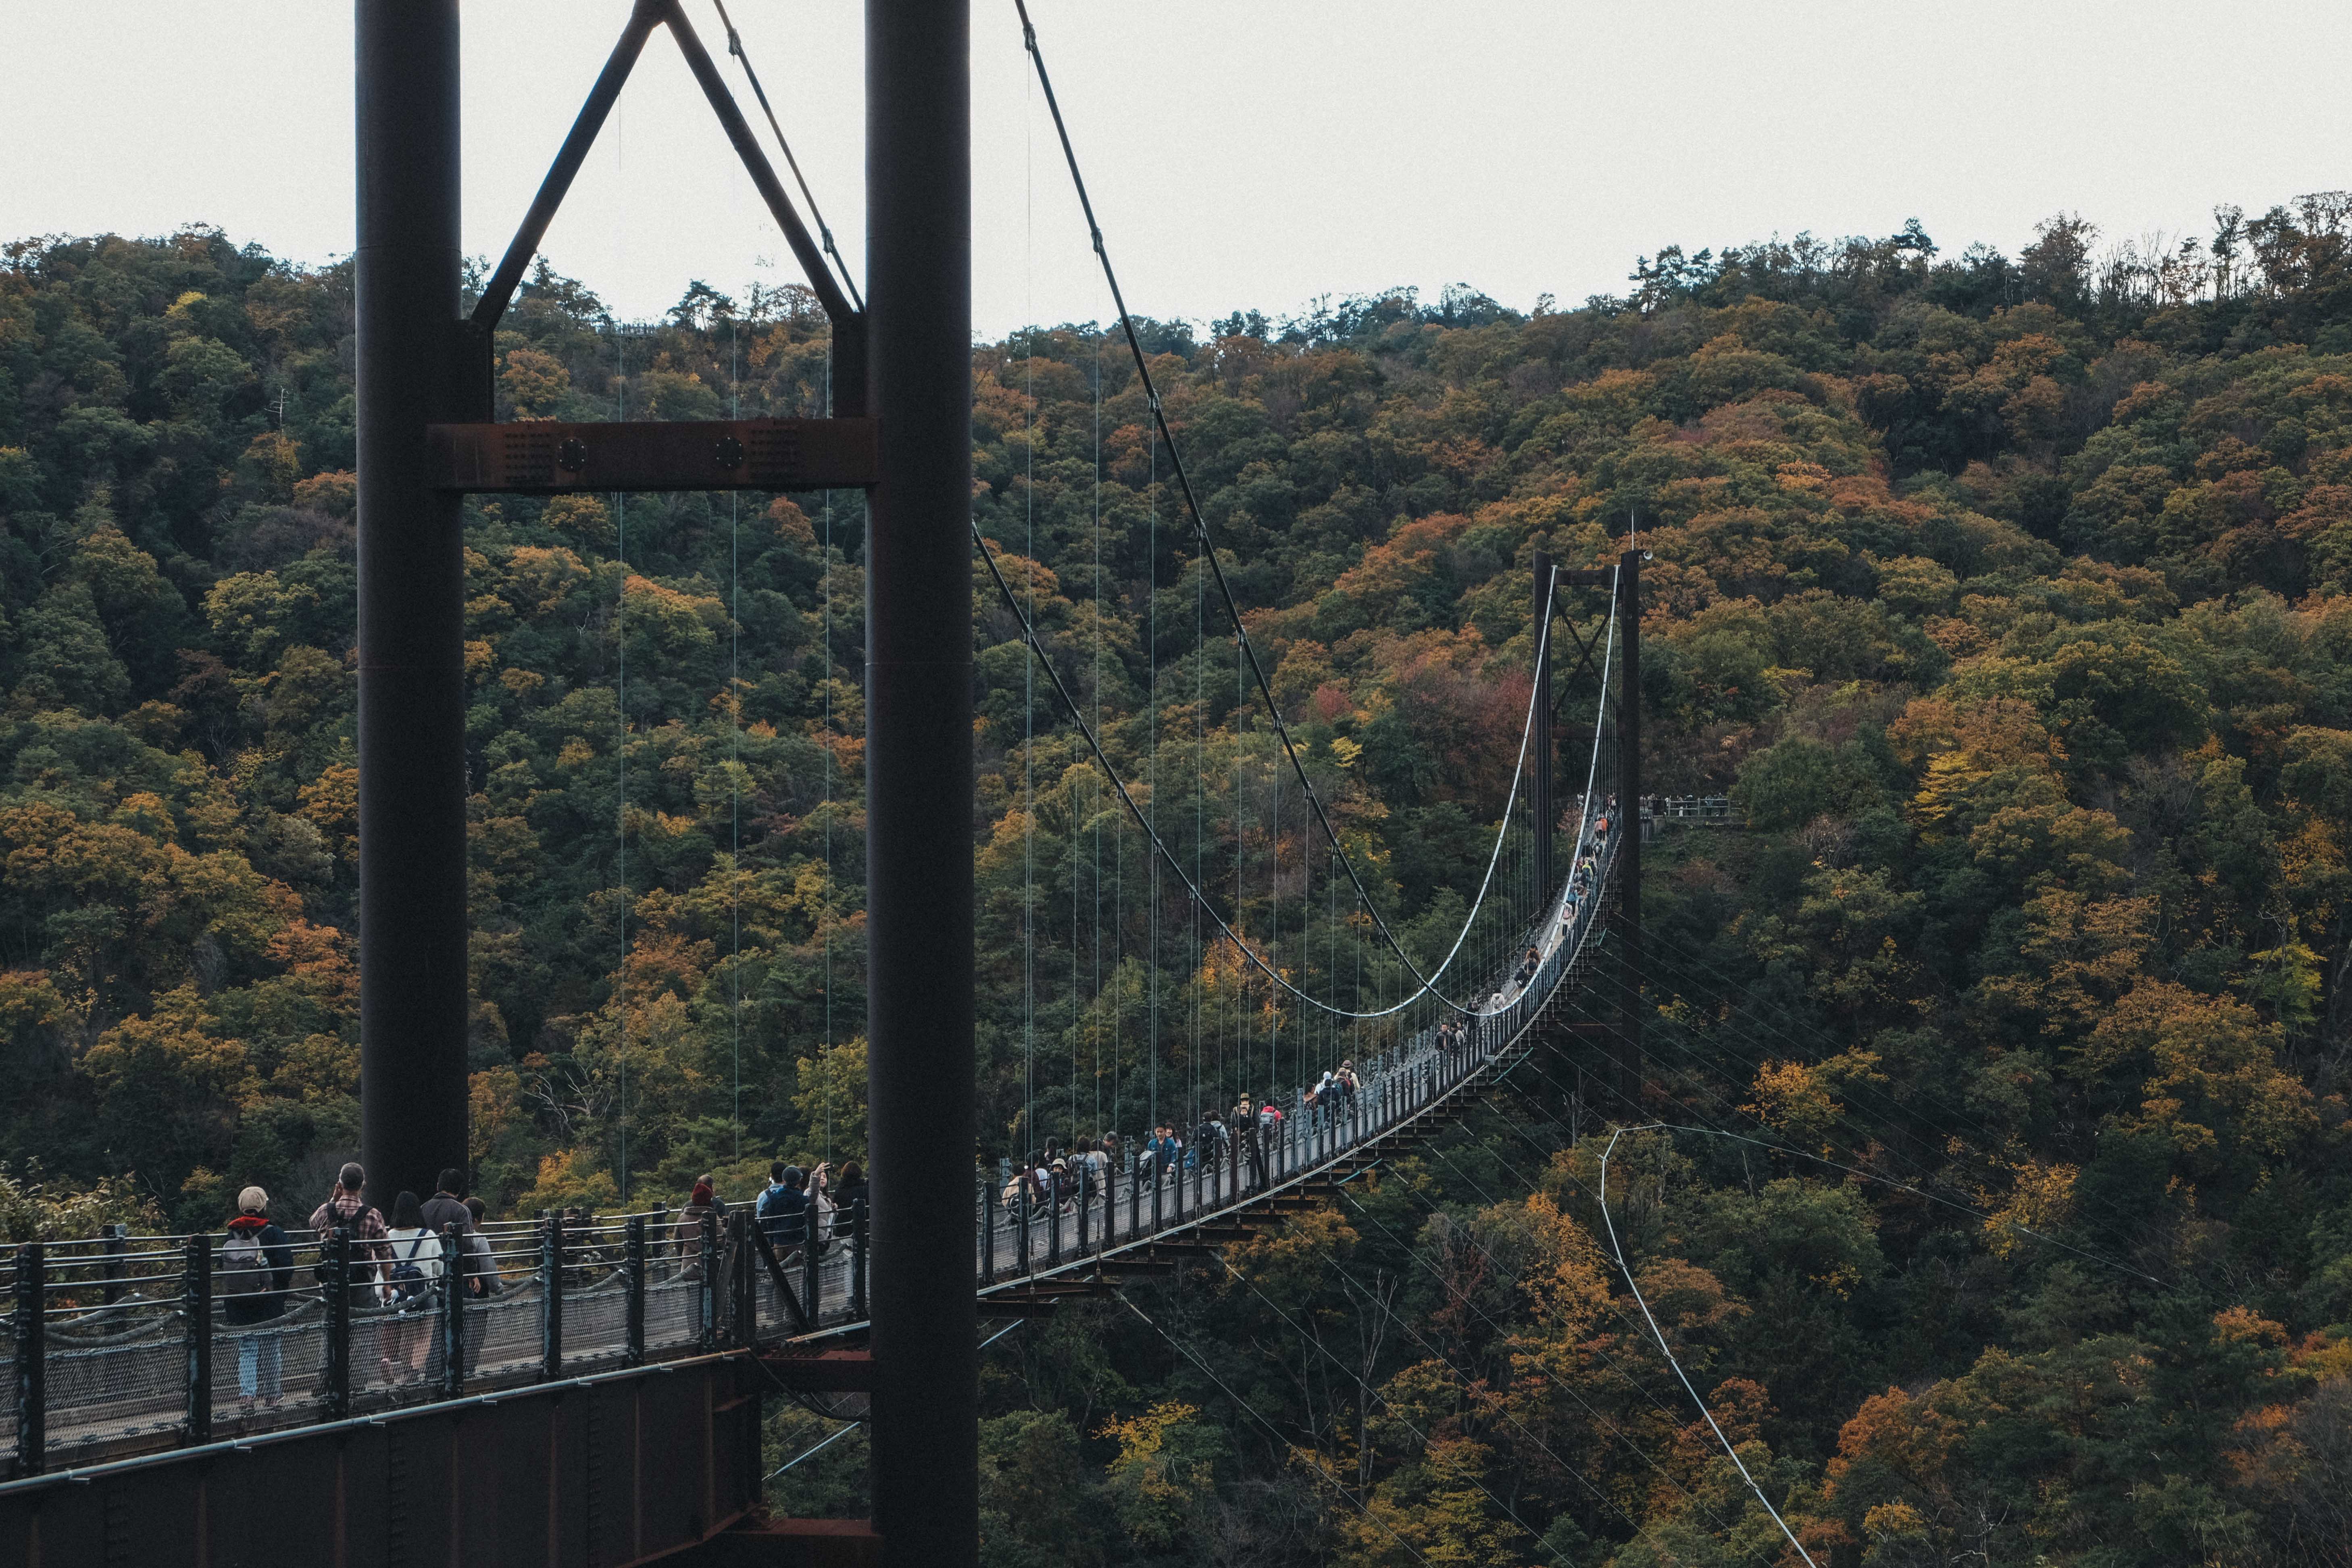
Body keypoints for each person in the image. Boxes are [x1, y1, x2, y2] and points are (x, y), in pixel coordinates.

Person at [219, 1186, 294, 1416]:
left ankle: (247, 1395)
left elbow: (220, 1266)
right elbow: (287, 1267)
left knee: (247, 1348)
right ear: (263, 1206)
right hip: (268, 1301)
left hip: (238, 1303)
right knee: (271, 1347)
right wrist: (278, 1291)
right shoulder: (273, 1232)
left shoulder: (231, 1234)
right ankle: (272, 1396)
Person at [382, 1191, 443, 1385]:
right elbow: (440, 1267)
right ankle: (413, 1371)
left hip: (396, 1294)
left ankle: (389, 1362)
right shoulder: (428, 1236)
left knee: (400, 1331)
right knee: (424, 1334)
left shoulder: (387, 1236)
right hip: (423, 1293)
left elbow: (379, 1265)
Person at [308, 1162, 390, 1307]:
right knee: (363, 1325)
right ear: (363, 1185)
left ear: (340, 1184)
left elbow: (312, 1223)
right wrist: (387, 1283)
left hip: (332, 1281)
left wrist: (334, 1200)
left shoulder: (326, 1211)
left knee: (332, 1323)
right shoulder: (373, 1215)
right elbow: (384, 1253)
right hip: (361, 1282)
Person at [758, 1163, 809, 1258]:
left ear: (784, 1180)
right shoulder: (804, 1200)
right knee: (797, 1270)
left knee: (779, 1269)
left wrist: (772, 1240)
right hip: (797, 1241)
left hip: (779, 1241)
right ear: (799, 1181)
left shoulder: (774, 1198)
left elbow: (771, 1221)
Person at [675, 1178, 723, 1278]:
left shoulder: (683, 1218)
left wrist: (681, 1259)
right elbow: (722, 1240)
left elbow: (678, 1241)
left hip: (688, 1267)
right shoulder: (713, 1217)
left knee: (692, 1292)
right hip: (711, 1267)